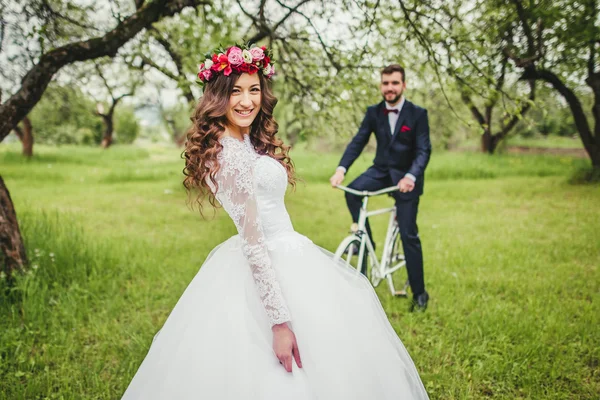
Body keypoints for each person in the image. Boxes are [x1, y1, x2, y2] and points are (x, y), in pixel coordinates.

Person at [121, 45, 429, 400]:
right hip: (266, 260)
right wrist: (280, 322)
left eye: (254, 90)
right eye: (235, 90)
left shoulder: (245, 142)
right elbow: (253, 242)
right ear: (217, 96)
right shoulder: (227, 153)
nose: (246, 101)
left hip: (288, 250)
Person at [329, 64, 432, 312]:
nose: (390, 88)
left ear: (403, 85)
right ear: (381, 85)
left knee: (409, 235)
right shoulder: (374, 112)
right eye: (385, 83)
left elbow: (423, 150)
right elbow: (358, 141)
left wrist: (411, 176)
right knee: (353, 192)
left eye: (395, 83)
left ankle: (420, 293)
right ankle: (367, 241)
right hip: (381, 171)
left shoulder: (417, 114)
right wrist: (341, 169)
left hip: (406, 177)